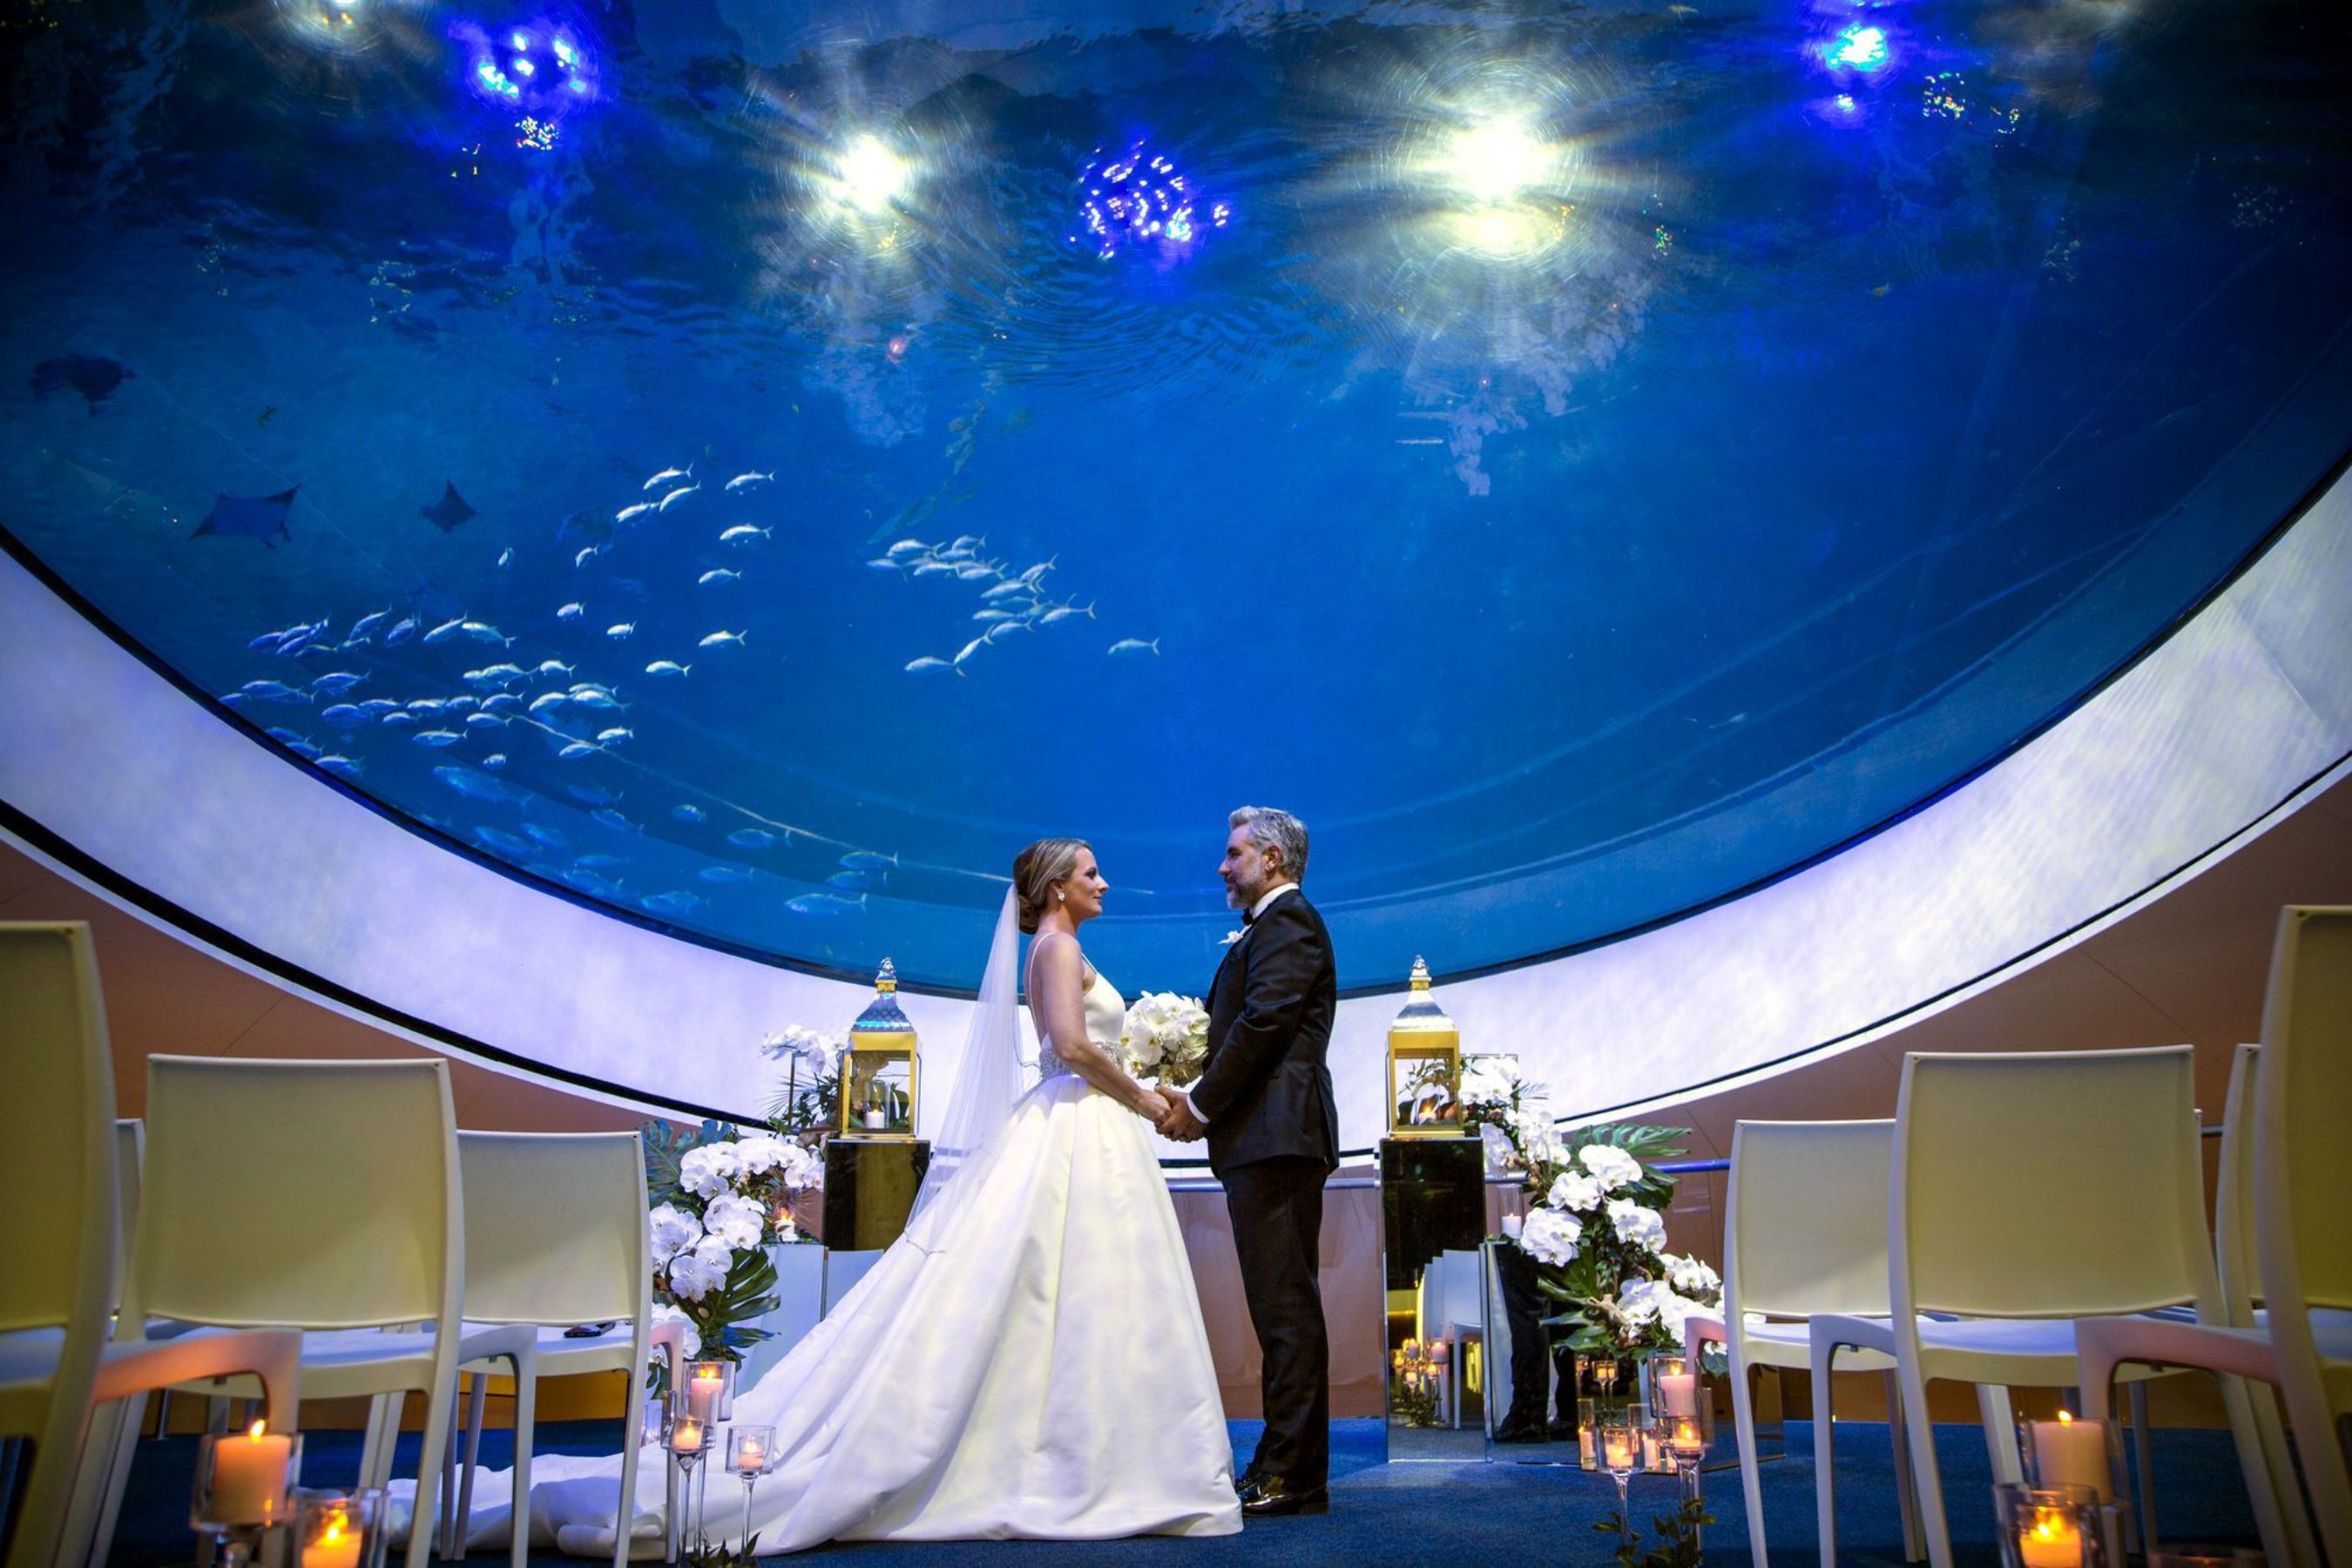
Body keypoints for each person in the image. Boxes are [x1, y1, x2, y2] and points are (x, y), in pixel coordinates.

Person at [425, 839, 1240, 1558]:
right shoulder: (1058, 951)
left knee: (1067, 1291)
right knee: (1058, 1287)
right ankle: (1086, 1457)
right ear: (1058, 886)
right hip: (1078, 1124)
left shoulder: (1056, 947)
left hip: (1079, 1127)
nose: (1106, 883)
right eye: (1092, 872)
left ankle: (1083, 1446)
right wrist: (1145, 1095)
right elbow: (1069, 1045)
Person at [1157, 806, 1340, 1517]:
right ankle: (1283, 1463)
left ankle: (1293, 1475)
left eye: (1233, 853)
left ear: (1271, 858)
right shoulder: (1271, 927)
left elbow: (1264, 1024)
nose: (1221, 865)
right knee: (1280, 1310)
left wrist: (1199, 1106)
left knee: (1286, 1310)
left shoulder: (1289, 920)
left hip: (1277, 1138)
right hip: (1266, 1139)